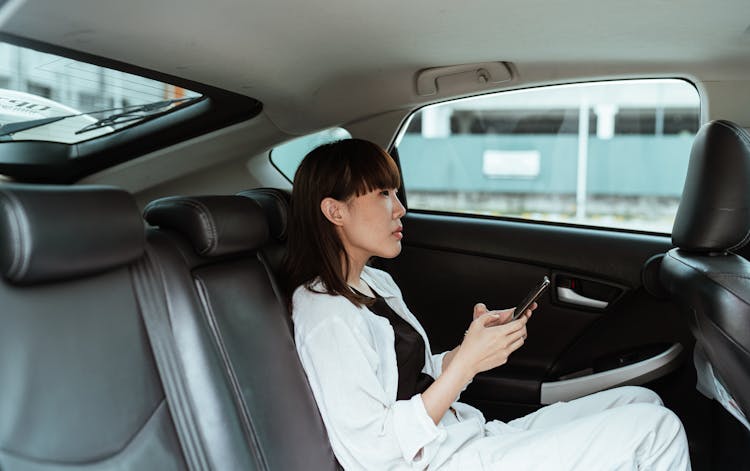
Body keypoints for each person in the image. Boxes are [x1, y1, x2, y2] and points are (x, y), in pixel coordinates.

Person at [284, 138, 691, 470]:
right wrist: (466, 366)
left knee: (640, 400)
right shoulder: (327, 314)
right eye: (383, 194)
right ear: (335, 210)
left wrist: (470, 349)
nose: (400, 208)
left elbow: (415, 379)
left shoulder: (374, 282)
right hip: (439, 463)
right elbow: (372, 451)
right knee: (657, 429)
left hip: (464, 438)